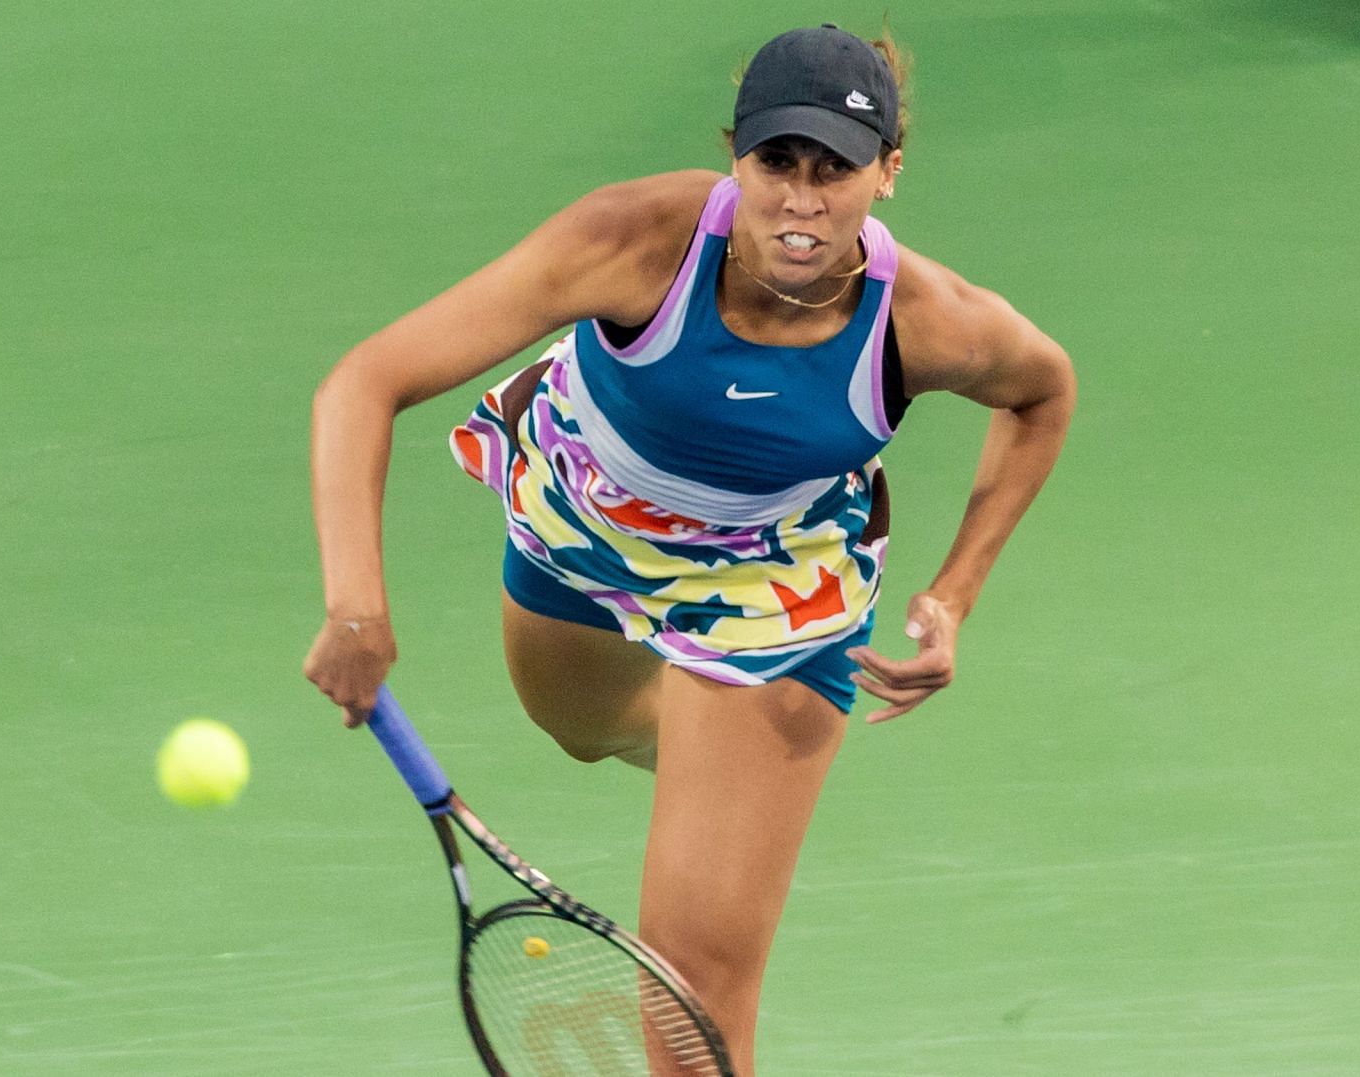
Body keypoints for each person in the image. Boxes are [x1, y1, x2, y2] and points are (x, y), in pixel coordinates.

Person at [304, 23, 1075, 1072]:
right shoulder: (631, 242)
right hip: (590, 524)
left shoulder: (932, 323)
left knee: (693, 994)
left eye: (836, 171)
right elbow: (364, 382)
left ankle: (749, 762)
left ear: (888, 174)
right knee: (573, 724)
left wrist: (955, 593)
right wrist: (356, 607)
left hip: (775, 589)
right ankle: (718, 768)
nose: (802, 201)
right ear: (735, 158)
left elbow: (1043, 393)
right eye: (778, 164)